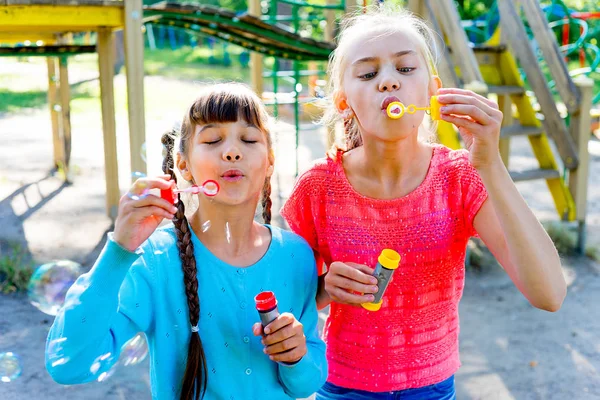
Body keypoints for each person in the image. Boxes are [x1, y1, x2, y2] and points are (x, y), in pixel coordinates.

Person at [280, 5, 566, 399]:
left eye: (405, 68)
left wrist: (491, 165)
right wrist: (325, 288)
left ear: (432, 91)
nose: (388, 82)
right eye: (368, 73)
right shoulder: (317, 188)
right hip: (340, 385)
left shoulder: (461, 177)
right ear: (344, 101)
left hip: (432, 387)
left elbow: (548, 293)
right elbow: (282, 306)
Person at [45, 83, 327, 400]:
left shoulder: (296, 256)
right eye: (212, 140)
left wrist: (297, 356)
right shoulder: (153, 260)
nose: (232, 151)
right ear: (183, 165)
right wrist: (120, 250)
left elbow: (306, 383)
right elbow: (68, 364)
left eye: (248, 139)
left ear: (270, 161)